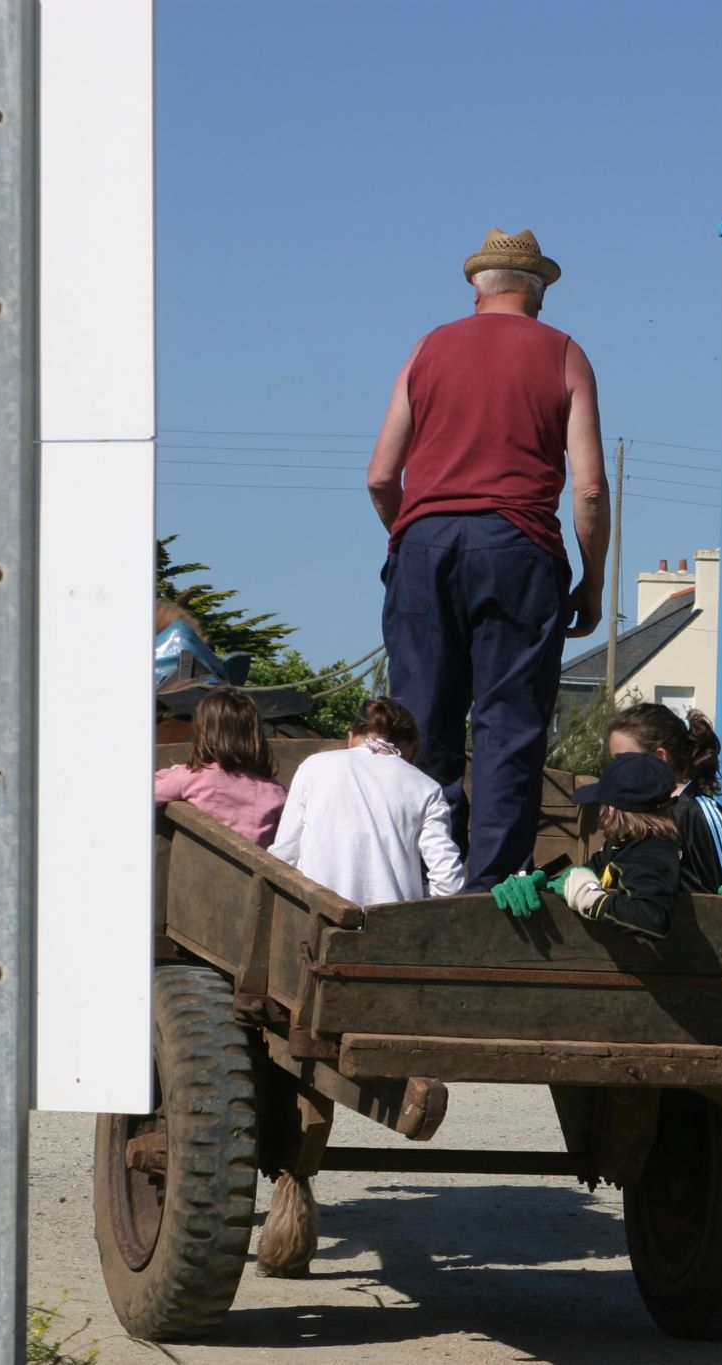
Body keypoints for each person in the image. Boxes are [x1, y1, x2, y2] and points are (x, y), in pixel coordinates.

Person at [365, 227, 608, 893]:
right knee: (509, 725)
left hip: (425, 545)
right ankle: (489, 884)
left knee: (418, 719)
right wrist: (592, 579)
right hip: (518, 547)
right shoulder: (563, 353)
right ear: (539, 292)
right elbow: (587, 486)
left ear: (476, 289)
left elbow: (382, 476)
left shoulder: (427, 348)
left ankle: (419, 877)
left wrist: (407, 538)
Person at [270, 698, 465, 906]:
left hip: (317, 912)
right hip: (391, 922)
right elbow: (449, 884)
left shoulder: (313, 767)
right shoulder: (426, 787)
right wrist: (417, 894)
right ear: (412, 747)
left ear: (351, 737)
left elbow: (284, 856)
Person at [494, 751, 679, 940]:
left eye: (601, 804)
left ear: (614, 808)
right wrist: (546, 885)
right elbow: (586, 874)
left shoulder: (653, 852)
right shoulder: (620, 845)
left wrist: (592, 900)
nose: (599, 813)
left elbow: (654, 919)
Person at [604, 702, 722, 896]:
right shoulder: (630, 813)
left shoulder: (700, 812)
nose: (615, 771)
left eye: (622, 760)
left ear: (660, 757)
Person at [152, 687, 286, 846]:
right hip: (249, 870)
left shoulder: (195, 776)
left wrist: (171, 772)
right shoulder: (276, 792)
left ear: (204, 732)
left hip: (194, 864)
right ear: (255, 734)